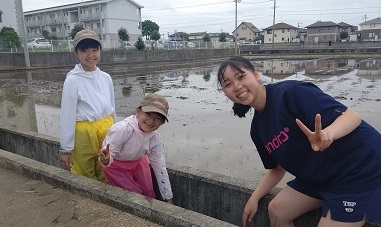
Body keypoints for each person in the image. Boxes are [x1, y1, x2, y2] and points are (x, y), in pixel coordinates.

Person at [217, 56, 381, 227]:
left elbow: (352, 116)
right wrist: (255, 197)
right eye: (227, 84)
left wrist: (328, 134)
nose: (237, 86)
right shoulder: (257, 130)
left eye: (241, 76)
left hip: (357, 170)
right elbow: (277, 169)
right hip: (322, 176)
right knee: (277, 210)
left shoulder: (290, 92)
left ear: (256, 74)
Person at [60, 29, 116, 182]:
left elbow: (112, 107)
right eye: (84, 51)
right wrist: (66, 148)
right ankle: (88, 202)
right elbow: (67, 115)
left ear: (100, 51)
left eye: (94, 50)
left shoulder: (106, 78)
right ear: (76, 54)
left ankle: (106, 200)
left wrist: (116, 133)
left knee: (105, 167)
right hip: (84, 132)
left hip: (105, 128)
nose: (90, 55)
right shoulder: (73, 80)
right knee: (85, 169)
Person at [99, 93, 173, 204]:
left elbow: (159, 166)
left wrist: (168, 197)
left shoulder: (155, 137)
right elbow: (108, 155)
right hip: (116, 165)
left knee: (149, 192)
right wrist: (106, 160)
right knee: (135, 195)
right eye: (148, 114)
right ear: (138, 111)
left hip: (138, 163)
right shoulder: (122, 129)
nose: (151, 121)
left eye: (157, 118)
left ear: (162, 122)